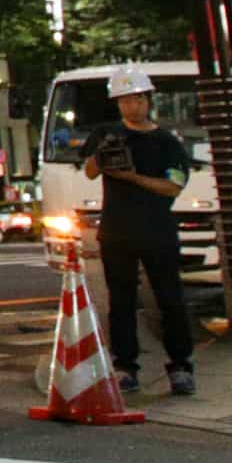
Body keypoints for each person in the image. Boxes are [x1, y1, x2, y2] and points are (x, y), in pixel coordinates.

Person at [82, 68, 195, 396]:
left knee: (170, 299)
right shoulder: (107, 134)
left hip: (157, 230)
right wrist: (101, 156)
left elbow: (172, 186)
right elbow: (90, 171)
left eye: (138, 98)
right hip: (116, 231)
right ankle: (125, 366)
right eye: (125, 100)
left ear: (148, 100)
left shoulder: (167, 142)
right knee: (121, 302)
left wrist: (133, 177)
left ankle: (181, 365)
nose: (132, 106)